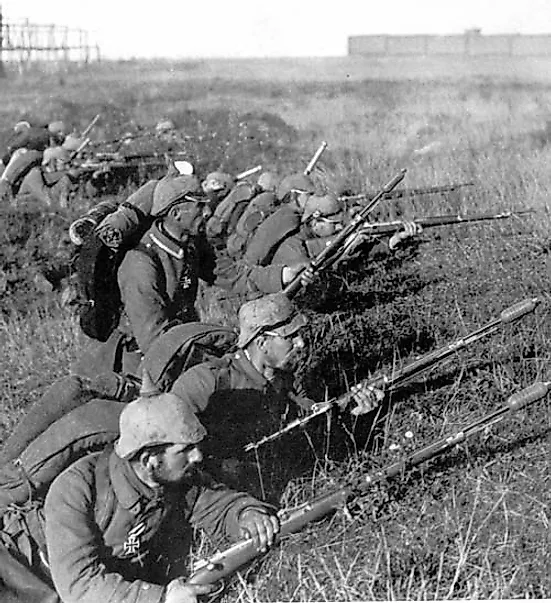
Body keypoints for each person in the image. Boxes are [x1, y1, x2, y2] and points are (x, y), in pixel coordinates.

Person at [0, 381, 279, 603]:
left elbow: (212, 502)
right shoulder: (75, 490)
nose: (197, 457)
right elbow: (80, 585)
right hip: (27, 576)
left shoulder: (172, 477)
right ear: (150, 460)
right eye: (185, 450)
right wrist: (161, 597)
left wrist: (245, 513)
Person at [73, 176, 312, 379]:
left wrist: (285, 274)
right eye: (200, 206)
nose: (208, 212)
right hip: (138, 365)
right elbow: (156, 342)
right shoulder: (140, 264)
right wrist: (217, 357)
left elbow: (233, 274)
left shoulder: (190, 245)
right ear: (176, 213)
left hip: (181, 342)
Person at [154, 293, 382, 494]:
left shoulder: (284, 379)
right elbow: (169, 454)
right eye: (290, 337)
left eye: (300, 334)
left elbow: (310, 423)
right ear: (262, 342)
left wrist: (351, 413)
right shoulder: (207, 382)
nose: (301, 343)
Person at [268, 192, 422, 267]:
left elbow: (362, 252)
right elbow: (315, 286)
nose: (339, 227)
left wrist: (395, 239)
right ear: (316, 222)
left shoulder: (317, 238)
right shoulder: (293, 246)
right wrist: (344, 253)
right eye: (334, 224)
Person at [242, 171, 317, 266]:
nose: (311, 198)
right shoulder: (288, 217)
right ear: (294, 196)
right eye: (308, 194)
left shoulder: (283, 212)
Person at [0, 121, 68, 202]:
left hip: (33, 158)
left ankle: (4, 190)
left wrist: (5, 160)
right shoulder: (40, 134)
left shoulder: (32, 134)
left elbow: (14, 146)